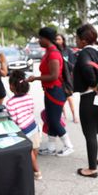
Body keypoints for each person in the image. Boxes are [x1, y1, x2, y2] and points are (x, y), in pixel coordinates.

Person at [26, 27, 74, 157]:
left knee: (54, 121)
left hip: (56, 91)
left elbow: (53, 76)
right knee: (50, 118)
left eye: (40, 38)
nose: (39, 40)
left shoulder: (53, 53)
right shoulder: (49, 51)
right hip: (49, 90)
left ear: (46, 39)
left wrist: (35, 78)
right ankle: (51, 147)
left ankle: (68, 145)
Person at [73, 24, 98, 178]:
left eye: (77, 38)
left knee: (90, 132)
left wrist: (93, 83)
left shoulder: (84, 53)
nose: (76, 41)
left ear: (83, 41)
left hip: (90, 97)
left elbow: (87, 70)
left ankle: (92, 169)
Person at [6, 70, 42, 180]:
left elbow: (14, 120)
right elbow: (31, 110)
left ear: (12, 86)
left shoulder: (10, 103)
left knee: (29, 152)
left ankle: (37, 171)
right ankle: (30, 168)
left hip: (23, 131)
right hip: (33, 127)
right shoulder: (29, 97)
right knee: (34, 149)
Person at [56, 33, 79, 123]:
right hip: (57, 78)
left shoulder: (68, 51)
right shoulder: (54, 51)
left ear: (63, 41)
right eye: (56, 39)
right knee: (60, 98)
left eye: (59, 39)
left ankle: (74, 115)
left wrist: (65, 61)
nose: (57, 41)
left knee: (69, 97)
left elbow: (72, 66)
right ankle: (63, 116)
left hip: (67, 79)